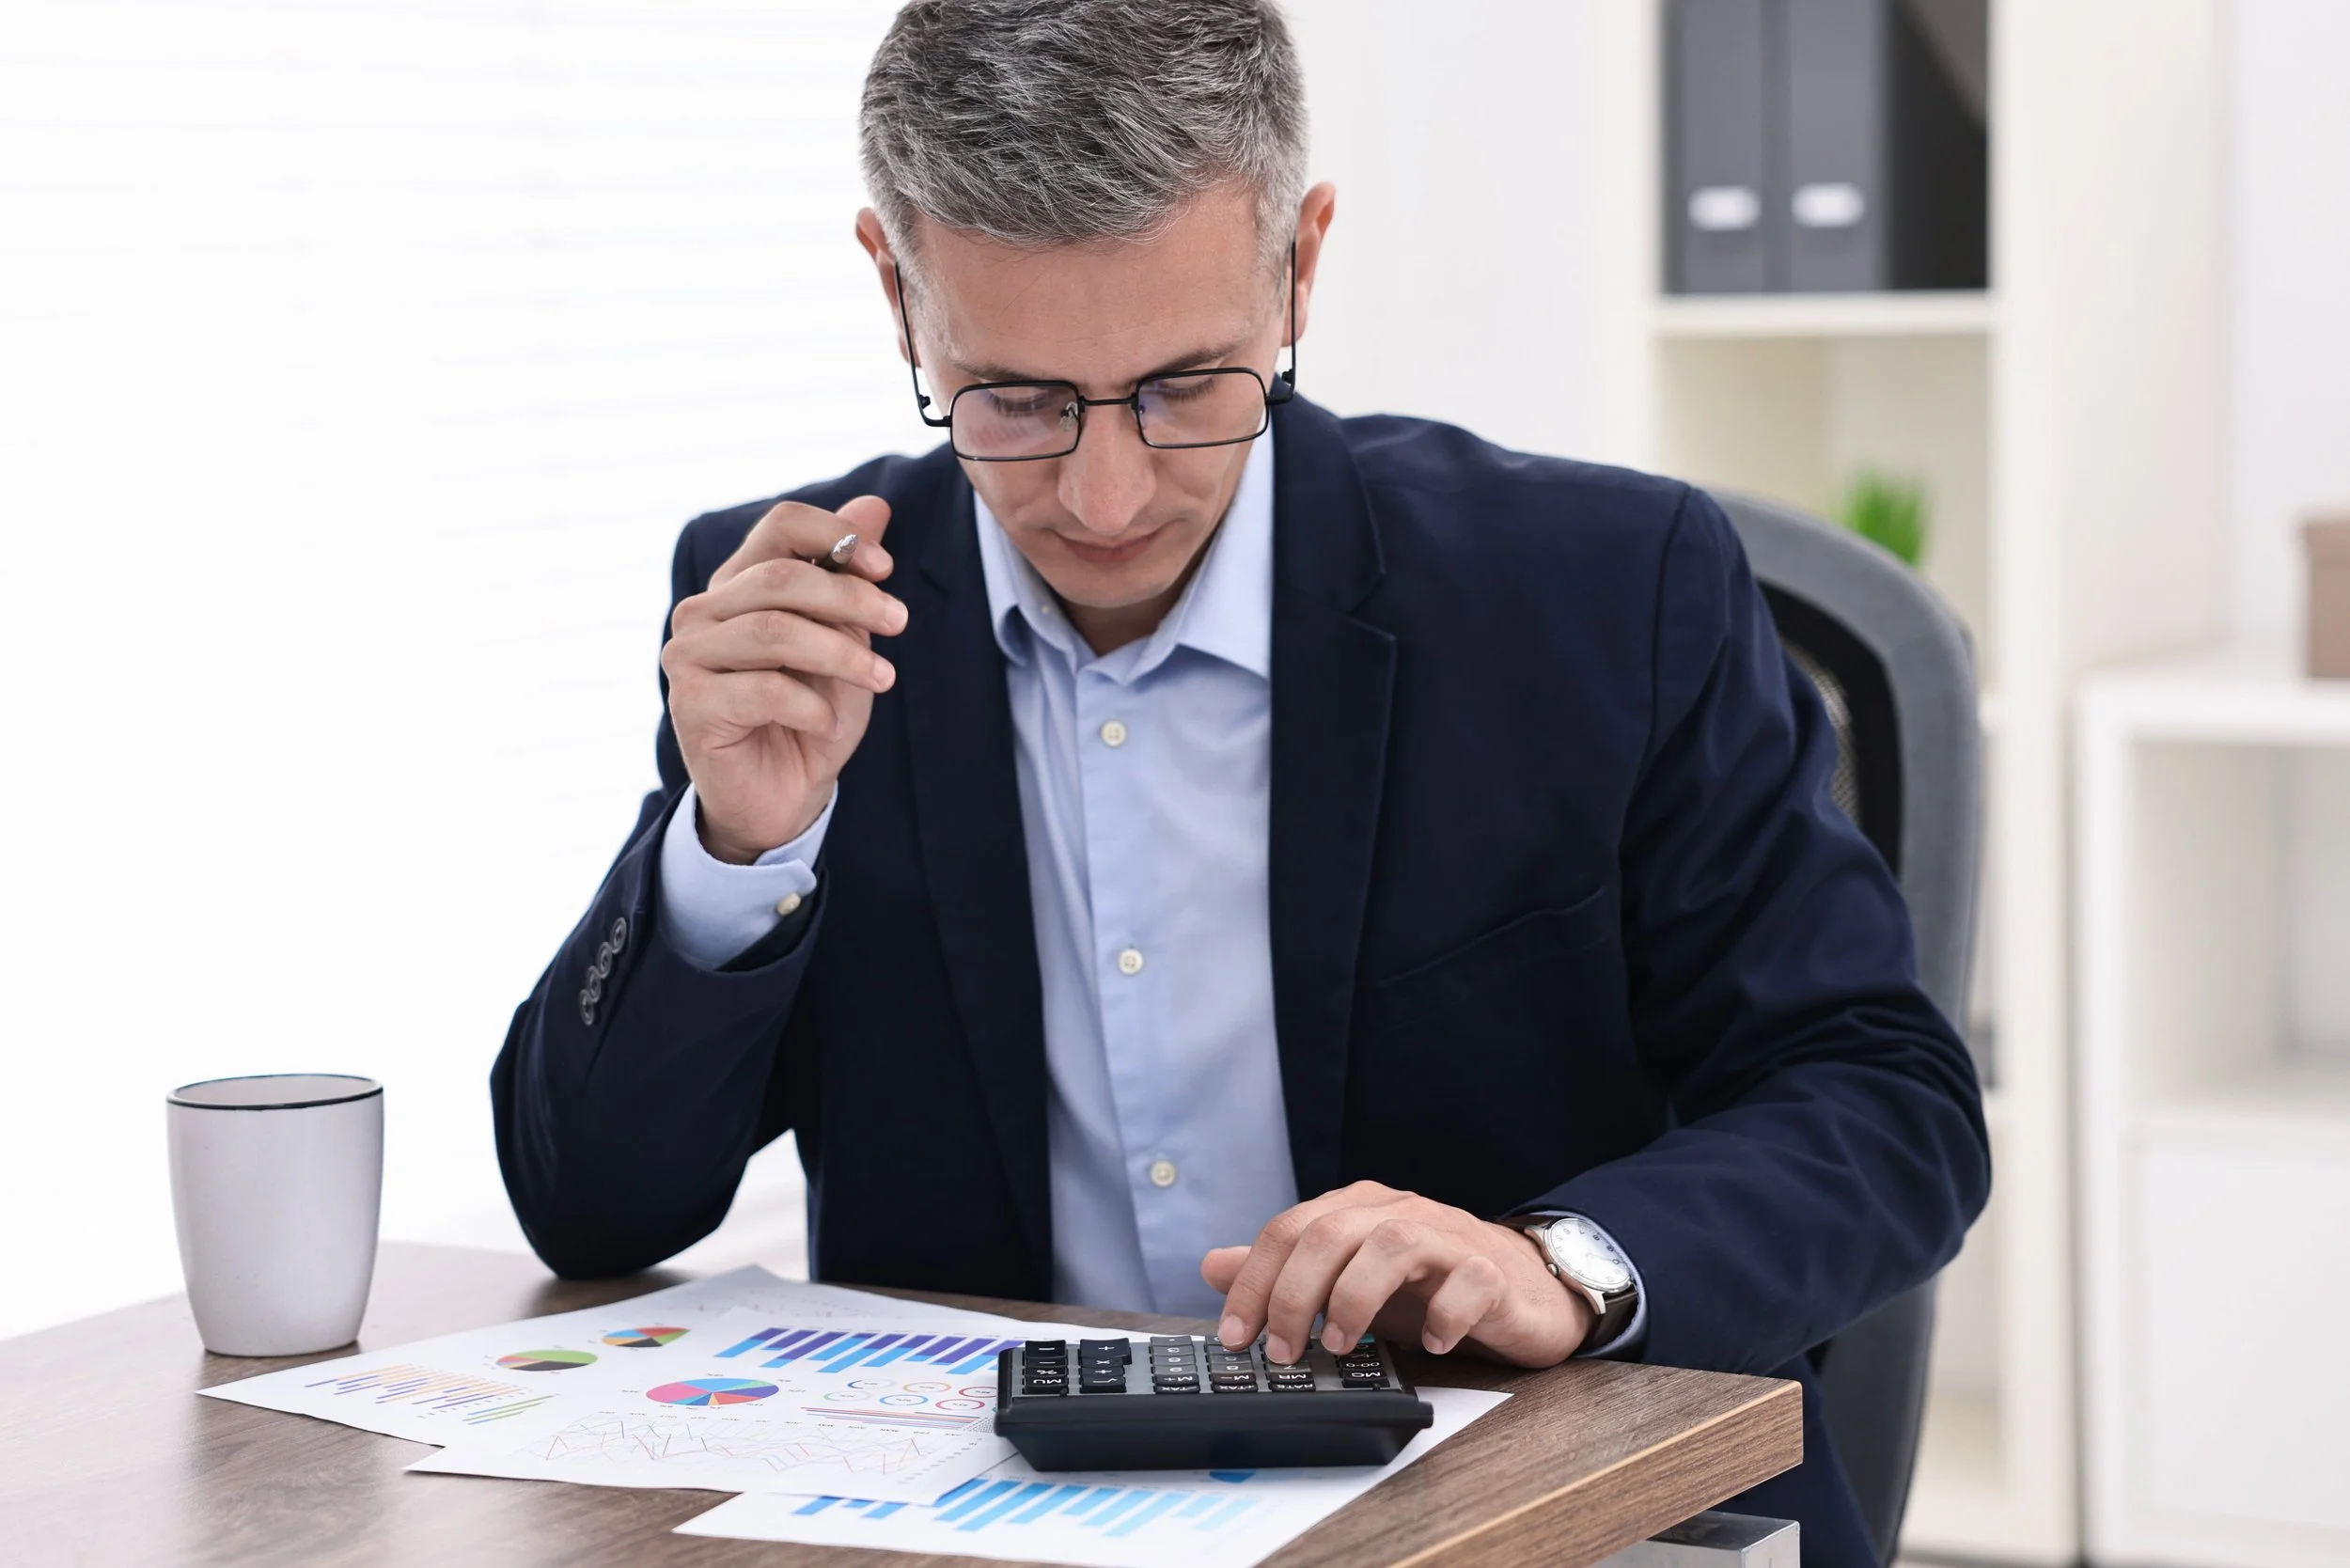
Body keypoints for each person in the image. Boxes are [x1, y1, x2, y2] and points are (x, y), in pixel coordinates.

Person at [492, 2, 1988, 1560]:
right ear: (897, 292)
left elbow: (1887, 1105)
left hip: (1514, 1512)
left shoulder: (1607, 590)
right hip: (992, 1523)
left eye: (1185, 386)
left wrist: (1564, 1265)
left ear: (1300, 267)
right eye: (1017, 399)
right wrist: (740, 843)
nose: (1107, 494)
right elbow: (593, 1212)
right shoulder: (798, 615)